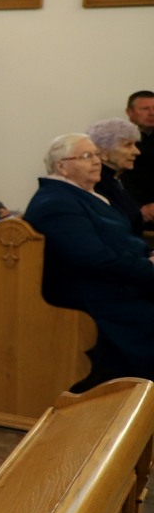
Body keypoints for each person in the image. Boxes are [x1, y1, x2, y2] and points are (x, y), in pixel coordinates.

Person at [24, 133, 154, 382]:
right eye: (86, 156)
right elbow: (92, 258)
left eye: (96, 155)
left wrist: (148, 255)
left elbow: (120, 240)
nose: (96, 161)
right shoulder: (56, 202)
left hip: (115, 283)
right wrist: (147, 267)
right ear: (61, 166)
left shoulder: (82, 195)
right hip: (94, 294)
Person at [90, 118, 145, 234]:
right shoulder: (94, 184)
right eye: (128, 145)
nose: (137, 151)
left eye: (135, 144)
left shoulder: (114, 180)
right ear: (103, 152)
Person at [117, 90, 154, 218]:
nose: (152, 113)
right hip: (127, 208)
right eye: (145, 109)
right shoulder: (117, 140)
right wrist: (137, 208)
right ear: (129, 112)